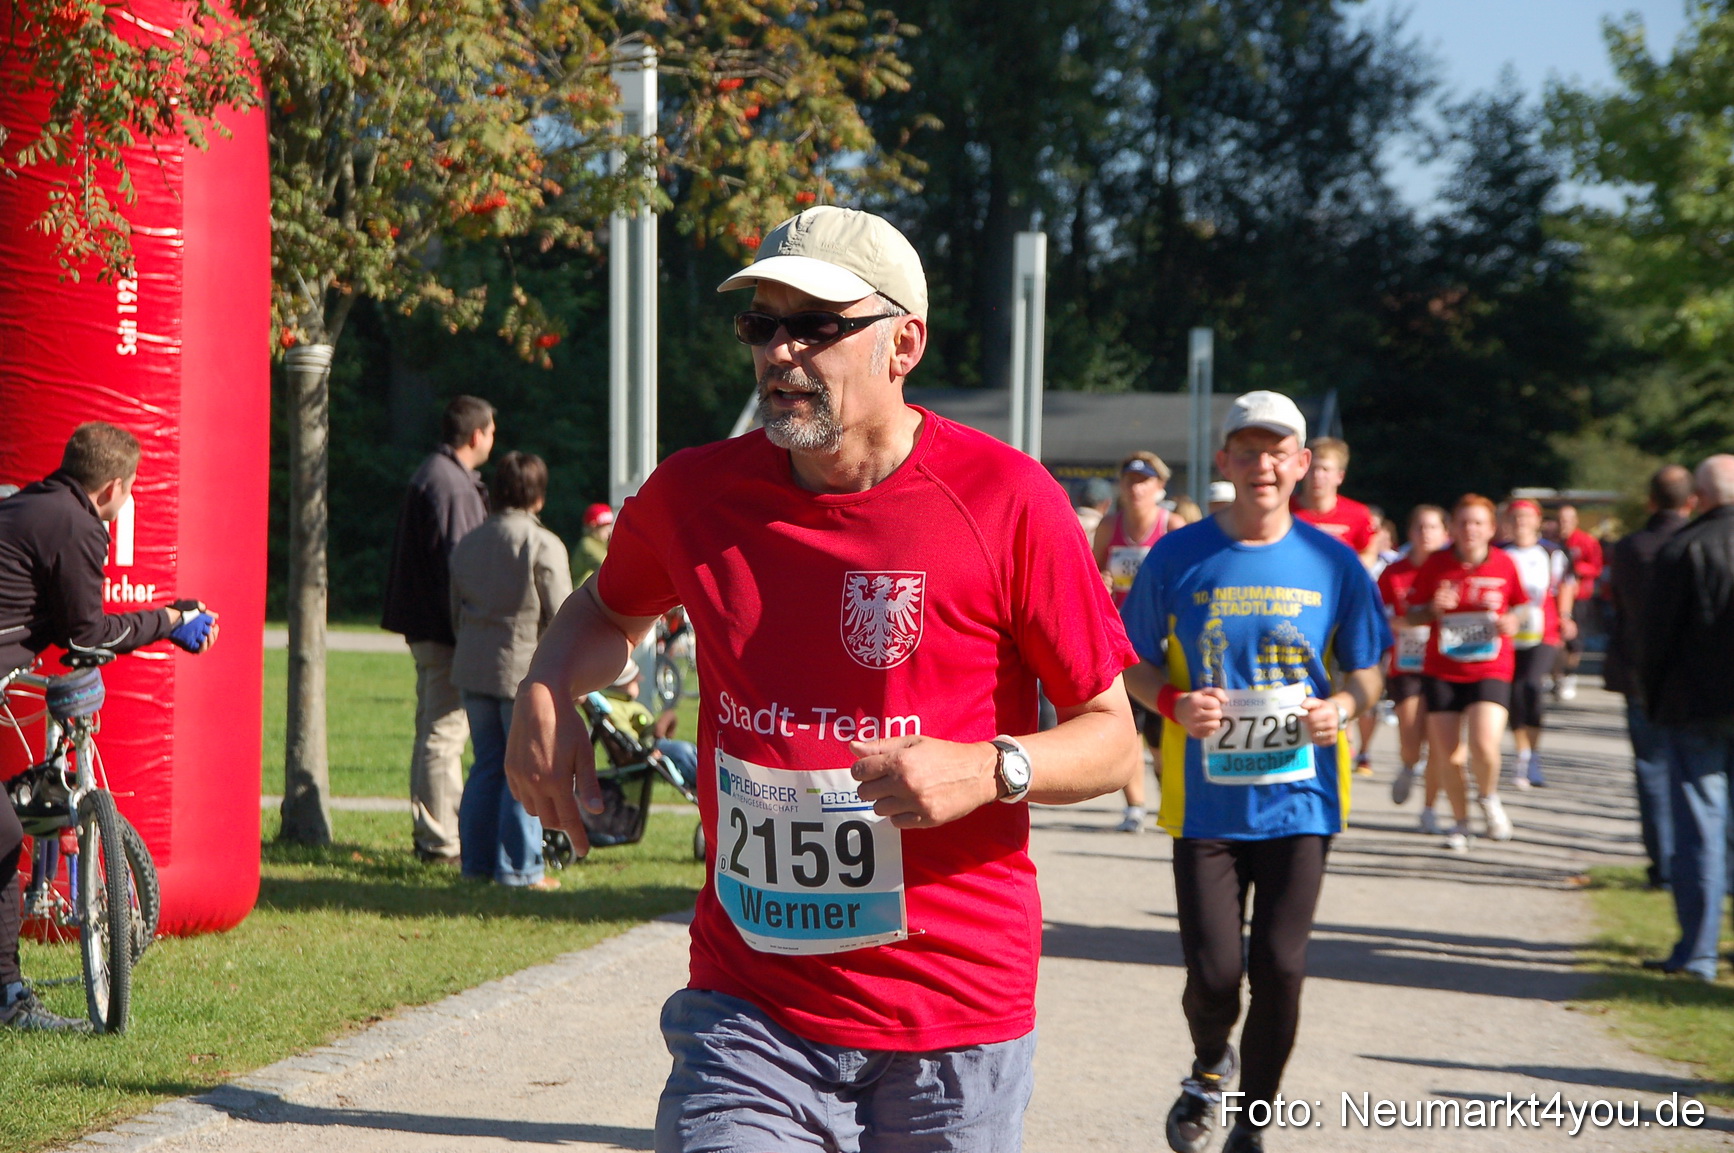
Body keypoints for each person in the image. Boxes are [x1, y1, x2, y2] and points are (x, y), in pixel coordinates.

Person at [504, 205, 1141, 1153]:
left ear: (903, 343)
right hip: (750, 1005)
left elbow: (1113, 733)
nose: (780, 350)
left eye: (817, 325)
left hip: (951, 1016)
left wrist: (990, 767)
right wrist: (547, 684)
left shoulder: (1008, 501)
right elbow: (606, 609)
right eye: (762, 323)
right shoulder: (694, 495)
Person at [1121, 390, 1389, 1153]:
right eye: (1248, 450)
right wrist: (1172, 702)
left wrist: (1342, 704)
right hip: (1206, 803)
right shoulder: (1179, 554)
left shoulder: (1335, 563)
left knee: (1279, 964)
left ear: (1303, 465)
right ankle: (1210, 1063)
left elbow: (1371, 670)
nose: (1263, 465)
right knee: (1213, 973)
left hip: (1300, 799)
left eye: (1279, 452)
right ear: (1224, 461)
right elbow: (1128, 661)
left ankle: (1254, 1121)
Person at [0, 422, 218, 1032]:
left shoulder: (31, 505)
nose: (131, 502)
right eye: (131, 491)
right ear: (113, 487)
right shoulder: (77, 525)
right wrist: (170, 620)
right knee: (1, 835)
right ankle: (9, 999)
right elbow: (85, 636)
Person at [449, 451, 571, 890]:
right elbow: (563, 614)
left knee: (485, 766)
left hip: (473, 668)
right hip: (523, 671)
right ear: (537, 495)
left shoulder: (468, 542)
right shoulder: (542, 544)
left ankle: (477, 864)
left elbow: (453, 611)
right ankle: (520, 869)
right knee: (526, 771)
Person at [381, 395, 495, 865]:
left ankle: (433, 833)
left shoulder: (437, 475)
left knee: (434, 728)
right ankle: (440, 840)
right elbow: (461, 564)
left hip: (430, 627)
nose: (492, 439)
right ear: (476, 435)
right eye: (491, 431)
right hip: (446, 631)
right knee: (444, 733)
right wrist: (471, 629)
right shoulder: (450, 485)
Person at [1640, 455, 1734, 981]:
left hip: (1696, 705)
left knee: (1700, 827)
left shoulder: (1684, 547)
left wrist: (1651, 699)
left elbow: (1655, 641)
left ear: (1699, 495)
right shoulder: (1685, 547)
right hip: (1701, 703)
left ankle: (1698, 952)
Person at [1408, 495, 1528, 853]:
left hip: (1491, 666)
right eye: (1462, 523)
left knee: (1484, 744)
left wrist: (1512, 620)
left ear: (1492, 529)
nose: (1470, 530)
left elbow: (1521, 606)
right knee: (1448, 754)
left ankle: (1488, 798)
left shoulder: (1505, 563)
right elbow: (1411, 614)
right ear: (1452, 529)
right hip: (1443, 668)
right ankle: (1461, 823)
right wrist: (1432, 608)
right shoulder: (1436, 563)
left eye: (1478, 523)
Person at [1605, 465, 1695, 889]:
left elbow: (1620, 604)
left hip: (1640, 671)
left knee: (1652, 769)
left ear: (1650, 502)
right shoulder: (1696, 544)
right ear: (1691, 501)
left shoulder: (1630, 548)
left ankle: (1662, 863)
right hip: (1693, 676)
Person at [1094, 451, 1190, 833]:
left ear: (1160, 487)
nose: (1136, 488)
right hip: (1119, 638)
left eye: (1145, 481)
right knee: (1127, 726)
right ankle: (1135, 807)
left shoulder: (1172, 524)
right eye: (1130, 480)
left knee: (1160, 729)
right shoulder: (1109, 525)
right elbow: (1090, 569)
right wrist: (1100, 579)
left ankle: (1169, 792)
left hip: (1163, 640)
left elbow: (1191, 577)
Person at [1379, 505, 1451, 818]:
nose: (1426, 534)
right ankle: (1409, 764)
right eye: (1420, 528)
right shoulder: (1394, 572)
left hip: (1445, 664)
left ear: (1445, 534)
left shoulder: (1452, 570)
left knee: (1438, 742)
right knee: (1410, 734)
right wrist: (1399, 622)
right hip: (1406, 662)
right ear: (1410, 533)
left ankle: (1430, 808)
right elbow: (1378, 615)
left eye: (1433, 528)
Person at [1500, 499, 1576, 789]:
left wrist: (1566, 616)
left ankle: (1533, 756)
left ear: (1538, 521)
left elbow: (1565, 584)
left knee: (1531, 685)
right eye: (1515, 517)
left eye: (1526, 517)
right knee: (1514, 691)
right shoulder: (1500, 553)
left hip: (1543, 629)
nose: (1520, 522)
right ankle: (1521, 754)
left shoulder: (1551, 552)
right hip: (1509, 631)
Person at [1290, 436, 1380, 566]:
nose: (1317, 475)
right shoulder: (1283, 510)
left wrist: (1348, 574)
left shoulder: (1358, 513)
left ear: (1340, 476)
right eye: (1312, 468)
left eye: (1325, 469)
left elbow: (1368, 552)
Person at [1554, 503, 1604, 701]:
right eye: (1559, 520)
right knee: (1555, 636)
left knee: (1575, 640)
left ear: (1575, 521)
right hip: (1555, 596)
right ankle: (1555, 675)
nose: (1562, 524)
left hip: (1579, 597)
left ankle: (1569, 675)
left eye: (1566, 520)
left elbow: (1597, 568)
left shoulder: (1585, 541)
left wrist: (1578, 570)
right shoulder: (1552, 541)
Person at [572, 502, 614, 589]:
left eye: (610, 525)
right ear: (592, 526)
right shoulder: (587, 544)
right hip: (583, 598)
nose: (609, 530)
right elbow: (609, 568)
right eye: (604, 527)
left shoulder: (601, 543)